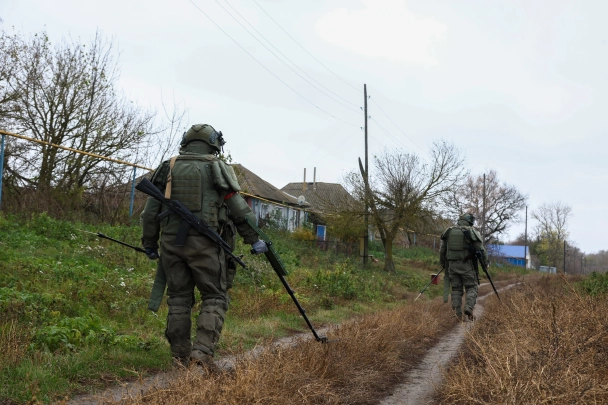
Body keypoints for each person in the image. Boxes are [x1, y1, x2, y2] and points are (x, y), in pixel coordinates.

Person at [140, 123, 268, 367]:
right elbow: (239, 209)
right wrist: (254, 239)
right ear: (214, 143)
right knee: (215, 296)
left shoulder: (169, 166)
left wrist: (149, 244)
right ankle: (202, 352)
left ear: (186, 142)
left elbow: (150, 213)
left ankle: (179, 356)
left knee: (178, 297)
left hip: (170, 243)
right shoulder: (216, 167)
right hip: (205, 243)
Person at [439, 213, 487, 321]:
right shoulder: (471, 232)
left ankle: (457, 313)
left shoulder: (449, 231)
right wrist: (485, 263)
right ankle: (468, 307)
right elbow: (481, 249)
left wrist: (443, 263)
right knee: (471, 287)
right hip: (467, 266)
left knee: (456, 289)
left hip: (452, 265)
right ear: (470, 221)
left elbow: (443, 250)